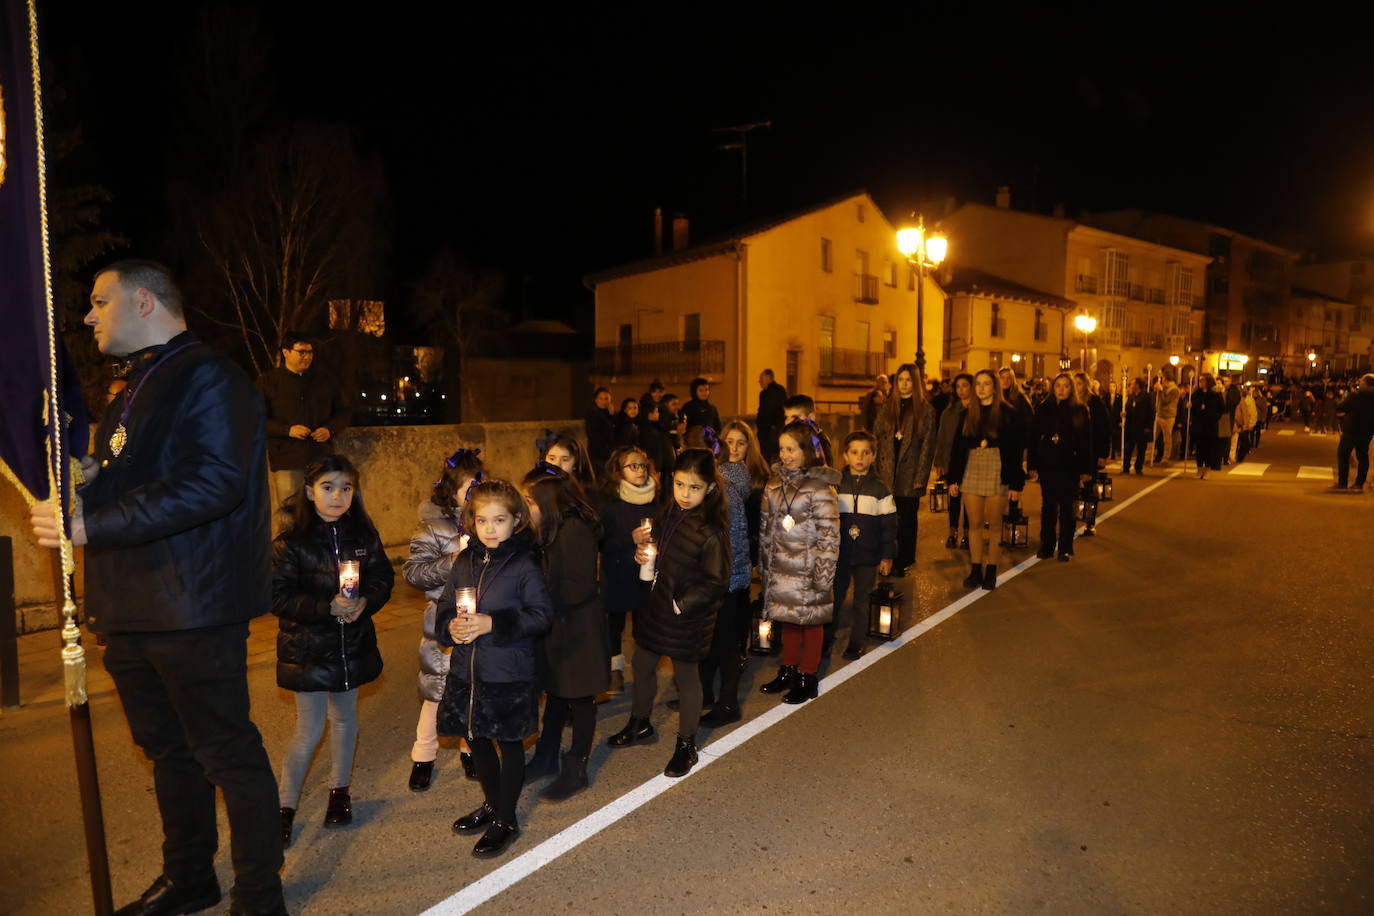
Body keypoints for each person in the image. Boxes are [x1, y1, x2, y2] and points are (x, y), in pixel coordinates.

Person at [30, 260, 286, 915]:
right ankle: (190, 877)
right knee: (168, 754)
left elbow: (212, 483)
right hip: (132, 607)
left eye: (97, 302)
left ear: (143, 301)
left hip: (192, 604)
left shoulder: (209, 377)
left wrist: (91, 522)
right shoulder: (135, 385)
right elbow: (144, 473)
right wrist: (93, 475)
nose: (87, 317)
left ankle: (259, 895)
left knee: (226, 752)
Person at [272, 455, 393, 846]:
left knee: (345, 720)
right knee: (308, 730)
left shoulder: (362, 535)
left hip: (351, 646)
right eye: (328, 487)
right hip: (308, 648)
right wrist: (326, 607)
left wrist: (365, 603)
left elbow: (382, 578)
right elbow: (277, 596)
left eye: (346, 488)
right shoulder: (292, 542)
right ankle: (285, 807)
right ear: (310, 492)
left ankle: (339, 792)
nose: (337, 495)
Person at [436, 479, 554, 859]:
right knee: (478, 738)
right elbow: (443, 609)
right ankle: (491, 803)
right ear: (472, 520)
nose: (490, 528)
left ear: (516, 520)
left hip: (508, 673)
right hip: (468, 672)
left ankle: (506, 818)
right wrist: (449, 627)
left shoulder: (523, 563)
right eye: (482, 520)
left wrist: (494, 623)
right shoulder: (464, 561)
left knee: (508, 742)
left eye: (499, 520)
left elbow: (541, 616)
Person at [608, 449, 729, 778]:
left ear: (709, 490)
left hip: (686, 615)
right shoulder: (668, 512)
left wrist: (682, 603)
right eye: (679, 484)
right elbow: (659, 552)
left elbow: (717, 581)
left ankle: (687, 745)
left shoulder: (712, 530)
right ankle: (639, 723)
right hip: (656, 604)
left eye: (694, 487)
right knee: (644, 664)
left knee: (686, 678)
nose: (685, 494)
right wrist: (643, 554)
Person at [521, 466, 609, 800]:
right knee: (557, 691)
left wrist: (536, 599)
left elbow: (577, 587)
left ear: (548, 499)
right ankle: (547, 755)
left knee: (580, 696)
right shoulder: (550, 526)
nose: (526, 506)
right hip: (558, 625)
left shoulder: (573, 530)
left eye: (530, 500)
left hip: (578, 628)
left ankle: (577, 766)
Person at [403, 447, 485, 792]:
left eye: (480, 485)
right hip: (442, 622)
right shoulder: (432, 528)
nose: (475, 493)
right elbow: (414, 573)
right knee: (436, 692)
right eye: (469, 487)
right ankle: (423, 756)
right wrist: (454, 559)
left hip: (478, 621)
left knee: (471, 690)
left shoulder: (485, 521)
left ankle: (469, 750)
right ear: (451, 489)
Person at [757, 419, 841, 703]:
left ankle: (808, 675)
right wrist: (765, 564)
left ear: (807, 450)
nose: (785, 455)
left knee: (811, 623)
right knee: (787, 620)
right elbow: (766, 529)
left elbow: (830, 537)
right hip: (781, 567)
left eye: (792, 449)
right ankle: (788, 669)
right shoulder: (773, 484)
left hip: (809, 569)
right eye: (782, 449)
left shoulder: (820, 488)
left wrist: (824, 575)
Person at [691, 425, 753, 725]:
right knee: (708, 638)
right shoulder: (706, 488)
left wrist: (720, 579)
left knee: (725, 642)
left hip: (725, 579)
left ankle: (728, 703)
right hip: (712, 579)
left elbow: (734, 541)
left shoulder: (726, 492)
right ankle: (704, 694)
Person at [947, 369, 1026, 589]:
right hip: (972, 467)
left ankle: (991, 570)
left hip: (997, 467)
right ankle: (975, 570)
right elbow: (958, 448)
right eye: (978, 384)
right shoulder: (967, 413)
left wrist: (1016, 483)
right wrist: (953, 479)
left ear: (995, 387)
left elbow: (1015, 451)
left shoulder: (1008, 413)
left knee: (994, 525)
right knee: (974, 524)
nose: (981, 388)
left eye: (986, 384)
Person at [257, 331, 351, 514]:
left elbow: (344, 411)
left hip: (320, 458)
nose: (307, 357)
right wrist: (287, 430)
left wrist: (329, 429)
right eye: (301, 352)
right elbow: (256, 418)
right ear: (286, 352)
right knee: (289, 512)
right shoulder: (268, 382)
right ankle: (289, 544)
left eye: (310, 352)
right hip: (286, 458)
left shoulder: (325, 381)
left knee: (323, 512)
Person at [595, 445, 659, 694]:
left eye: (642, 465)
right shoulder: (610, 503)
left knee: (644, 625)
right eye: (632, 466)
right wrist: (628, 540)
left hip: (645, 573)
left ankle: (644, 669)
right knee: (615, 625)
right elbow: (601, 540)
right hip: (618, 573)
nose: (639, 470)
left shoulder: (655, 500)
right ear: (618, 471)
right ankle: (615, 670)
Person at [828, 431, 896, 659]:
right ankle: (827, 639)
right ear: (845, 456)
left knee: (861, 600)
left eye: (866, 453)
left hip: (868, 556)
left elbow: (889, 526)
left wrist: (887, 556)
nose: (860, 458)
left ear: (874, 456)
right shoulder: (835, 485)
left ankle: (856, 642)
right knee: (834, 598)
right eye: (854, 452)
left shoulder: (880, 490)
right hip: (840, 554)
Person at [716, 419, 771, 665]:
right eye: (729, 442)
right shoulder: (714, 473)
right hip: (719, 552)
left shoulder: (759, 476)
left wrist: (756, 556)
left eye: (741, 443)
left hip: (746, 551)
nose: (735, 449)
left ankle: (739, 650)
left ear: (750, 446)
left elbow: (763, 522)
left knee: (740, 603)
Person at [873, 364, 936, 577]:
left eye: (908, 380)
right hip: (887, 469)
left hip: (910, 472)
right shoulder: (887, 407)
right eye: (900, 379)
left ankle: (904, 559)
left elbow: (928, 446)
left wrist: (921, 476)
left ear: (915, 383)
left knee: (907, 519)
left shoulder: (925, 410)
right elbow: (876, 437)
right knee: (887, 517)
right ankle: (886, 558)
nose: (904, 384)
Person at [1028, 374, 1093, 560]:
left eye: (1066, 386)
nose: (1062, 389)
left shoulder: (1079, 409)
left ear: (1071, 388)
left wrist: (1086, 469)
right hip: (1047, 463)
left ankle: (1065, 546)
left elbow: (1085, 441)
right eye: (1058, 386)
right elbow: (1033, 437)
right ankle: (1047, 545)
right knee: (1048, 506)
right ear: (1053, 388)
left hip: (1069, 465)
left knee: (1067, 508)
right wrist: (1032, 464)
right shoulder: (1043, 408)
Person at [934, 372, 974, 549]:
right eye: (958, 386)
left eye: (965, 385)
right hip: (952, 460)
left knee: (970, 500)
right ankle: (953, 532)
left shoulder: (977, 410)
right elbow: (941, 438)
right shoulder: (948, 413)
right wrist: (940, 461)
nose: (961, 389)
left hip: (972, 461)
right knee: (954, 498)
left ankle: (967, 533)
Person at [1073, 373, 1109, 535]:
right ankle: (1071, 516)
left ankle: (1090, 521)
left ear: (1086, 385)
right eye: (1074, 384)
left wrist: (1103, 454)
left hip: (1090, 450)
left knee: (1089, 485)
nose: (1076, 387)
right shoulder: (1070, 401)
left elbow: (1103, 430)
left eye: (1079, 384)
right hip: (1073, 450)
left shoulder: (1095, 403)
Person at [1332, 373, 1374, 491]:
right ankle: (1359, 484)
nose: (1358, 383)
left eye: (1361, 381)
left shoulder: (1355, 396)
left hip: (1351, 430)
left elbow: (1340, 408)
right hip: (1367, 431)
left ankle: (1342, 483)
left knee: (1343, 455)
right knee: (1363, 457)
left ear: (1365, 384)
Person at [1191, 373, 1226, 479]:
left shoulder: (1215, 394)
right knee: (1199, 448)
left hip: (1211, 425)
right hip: (1199, 424)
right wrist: (1190, 407)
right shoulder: (1196, 394)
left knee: (1209, 448)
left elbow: (1222, 408)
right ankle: (1199, 469)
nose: (1200, 382)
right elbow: (1193, 408)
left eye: (1203, 380)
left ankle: (1207, 469)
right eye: (1200, 380)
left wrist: (1215, 416)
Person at [782, 394, 834, 466]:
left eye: (795, 417)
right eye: (787, 417)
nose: (789, 422)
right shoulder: (787, 438)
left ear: (811, 417)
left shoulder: (819, 441)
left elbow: (826, 470)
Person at [1122, 377, 1155, 475]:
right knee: (1128, 448)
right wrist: (1124, 414)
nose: (1131, 386)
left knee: (1141, 449)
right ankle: (1126, 467)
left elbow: (1151, 411)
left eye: (1132, 384)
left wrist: (1148, 426)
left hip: (1142, 426)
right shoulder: (1131, 396)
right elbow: (1128, 408)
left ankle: (1138, 467)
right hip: (1131, 426)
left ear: (1137, 385)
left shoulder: (1146, 396)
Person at [757, 369, 789, 462]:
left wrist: (771, 426)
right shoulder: (779, 391)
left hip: (769, 431)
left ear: (768, 378)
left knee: (769, 456)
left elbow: (767, 411)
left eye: (761, 379)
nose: (759, 382)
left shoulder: (769, 393)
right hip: (773, 430)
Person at [1152, 368, 1180, 466]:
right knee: (1153, 435)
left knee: (1166, 438)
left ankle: (1166, 457)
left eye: (1163, 378)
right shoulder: (1164, 387)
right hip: (1159, 414)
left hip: (1168, 416)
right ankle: (1150, 455)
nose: (1162, 380)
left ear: (1167, 379)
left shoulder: (1175, 390)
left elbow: (1165, 401)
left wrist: (1161, 390)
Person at [584, 387, 616, 471]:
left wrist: (612, 415)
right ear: (596, 400)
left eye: (606, 399)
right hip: (597, 452)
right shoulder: (593, 413)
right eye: (601, 398)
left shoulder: (608, 413)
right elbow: (594, 434)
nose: (604, 401)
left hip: (607, 452)